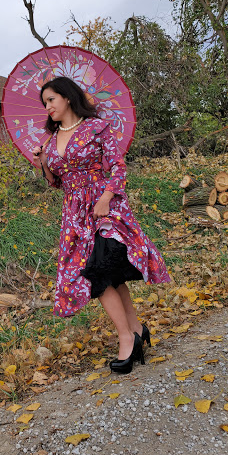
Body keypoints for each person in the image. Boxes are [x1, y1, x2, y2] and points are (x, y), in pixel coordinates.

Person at [32, 76, 171, 374]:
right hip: (75, 214)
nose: (48, 107)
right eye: (45, 103)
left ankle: (126, 338)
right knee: (106, 273)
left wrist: (106, 197)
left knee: (100, 267)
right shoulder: (51, 139)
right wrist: (44, 162)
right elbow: (55, 182)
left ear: (67, 97)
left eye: (51, 100)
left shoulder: (97, 127)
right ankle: (136, 329)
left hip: (105, 206)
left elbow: (118, 166)